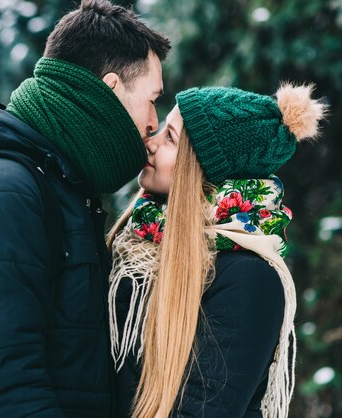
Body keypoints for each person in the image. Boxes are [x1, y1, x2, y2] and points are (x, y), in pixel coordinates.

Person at [0, 0, 171, 416]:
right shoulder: (2, 192)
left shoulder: (56, 188)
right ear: (110, 88)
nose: (152, 123)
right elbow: (7, 388)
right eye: (151, 99)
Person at [108, 83, 327, 417]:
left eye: (170, 139)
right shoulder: (138, 240)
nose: (150, 143)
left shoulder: (248, 277)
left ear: (208, 170)